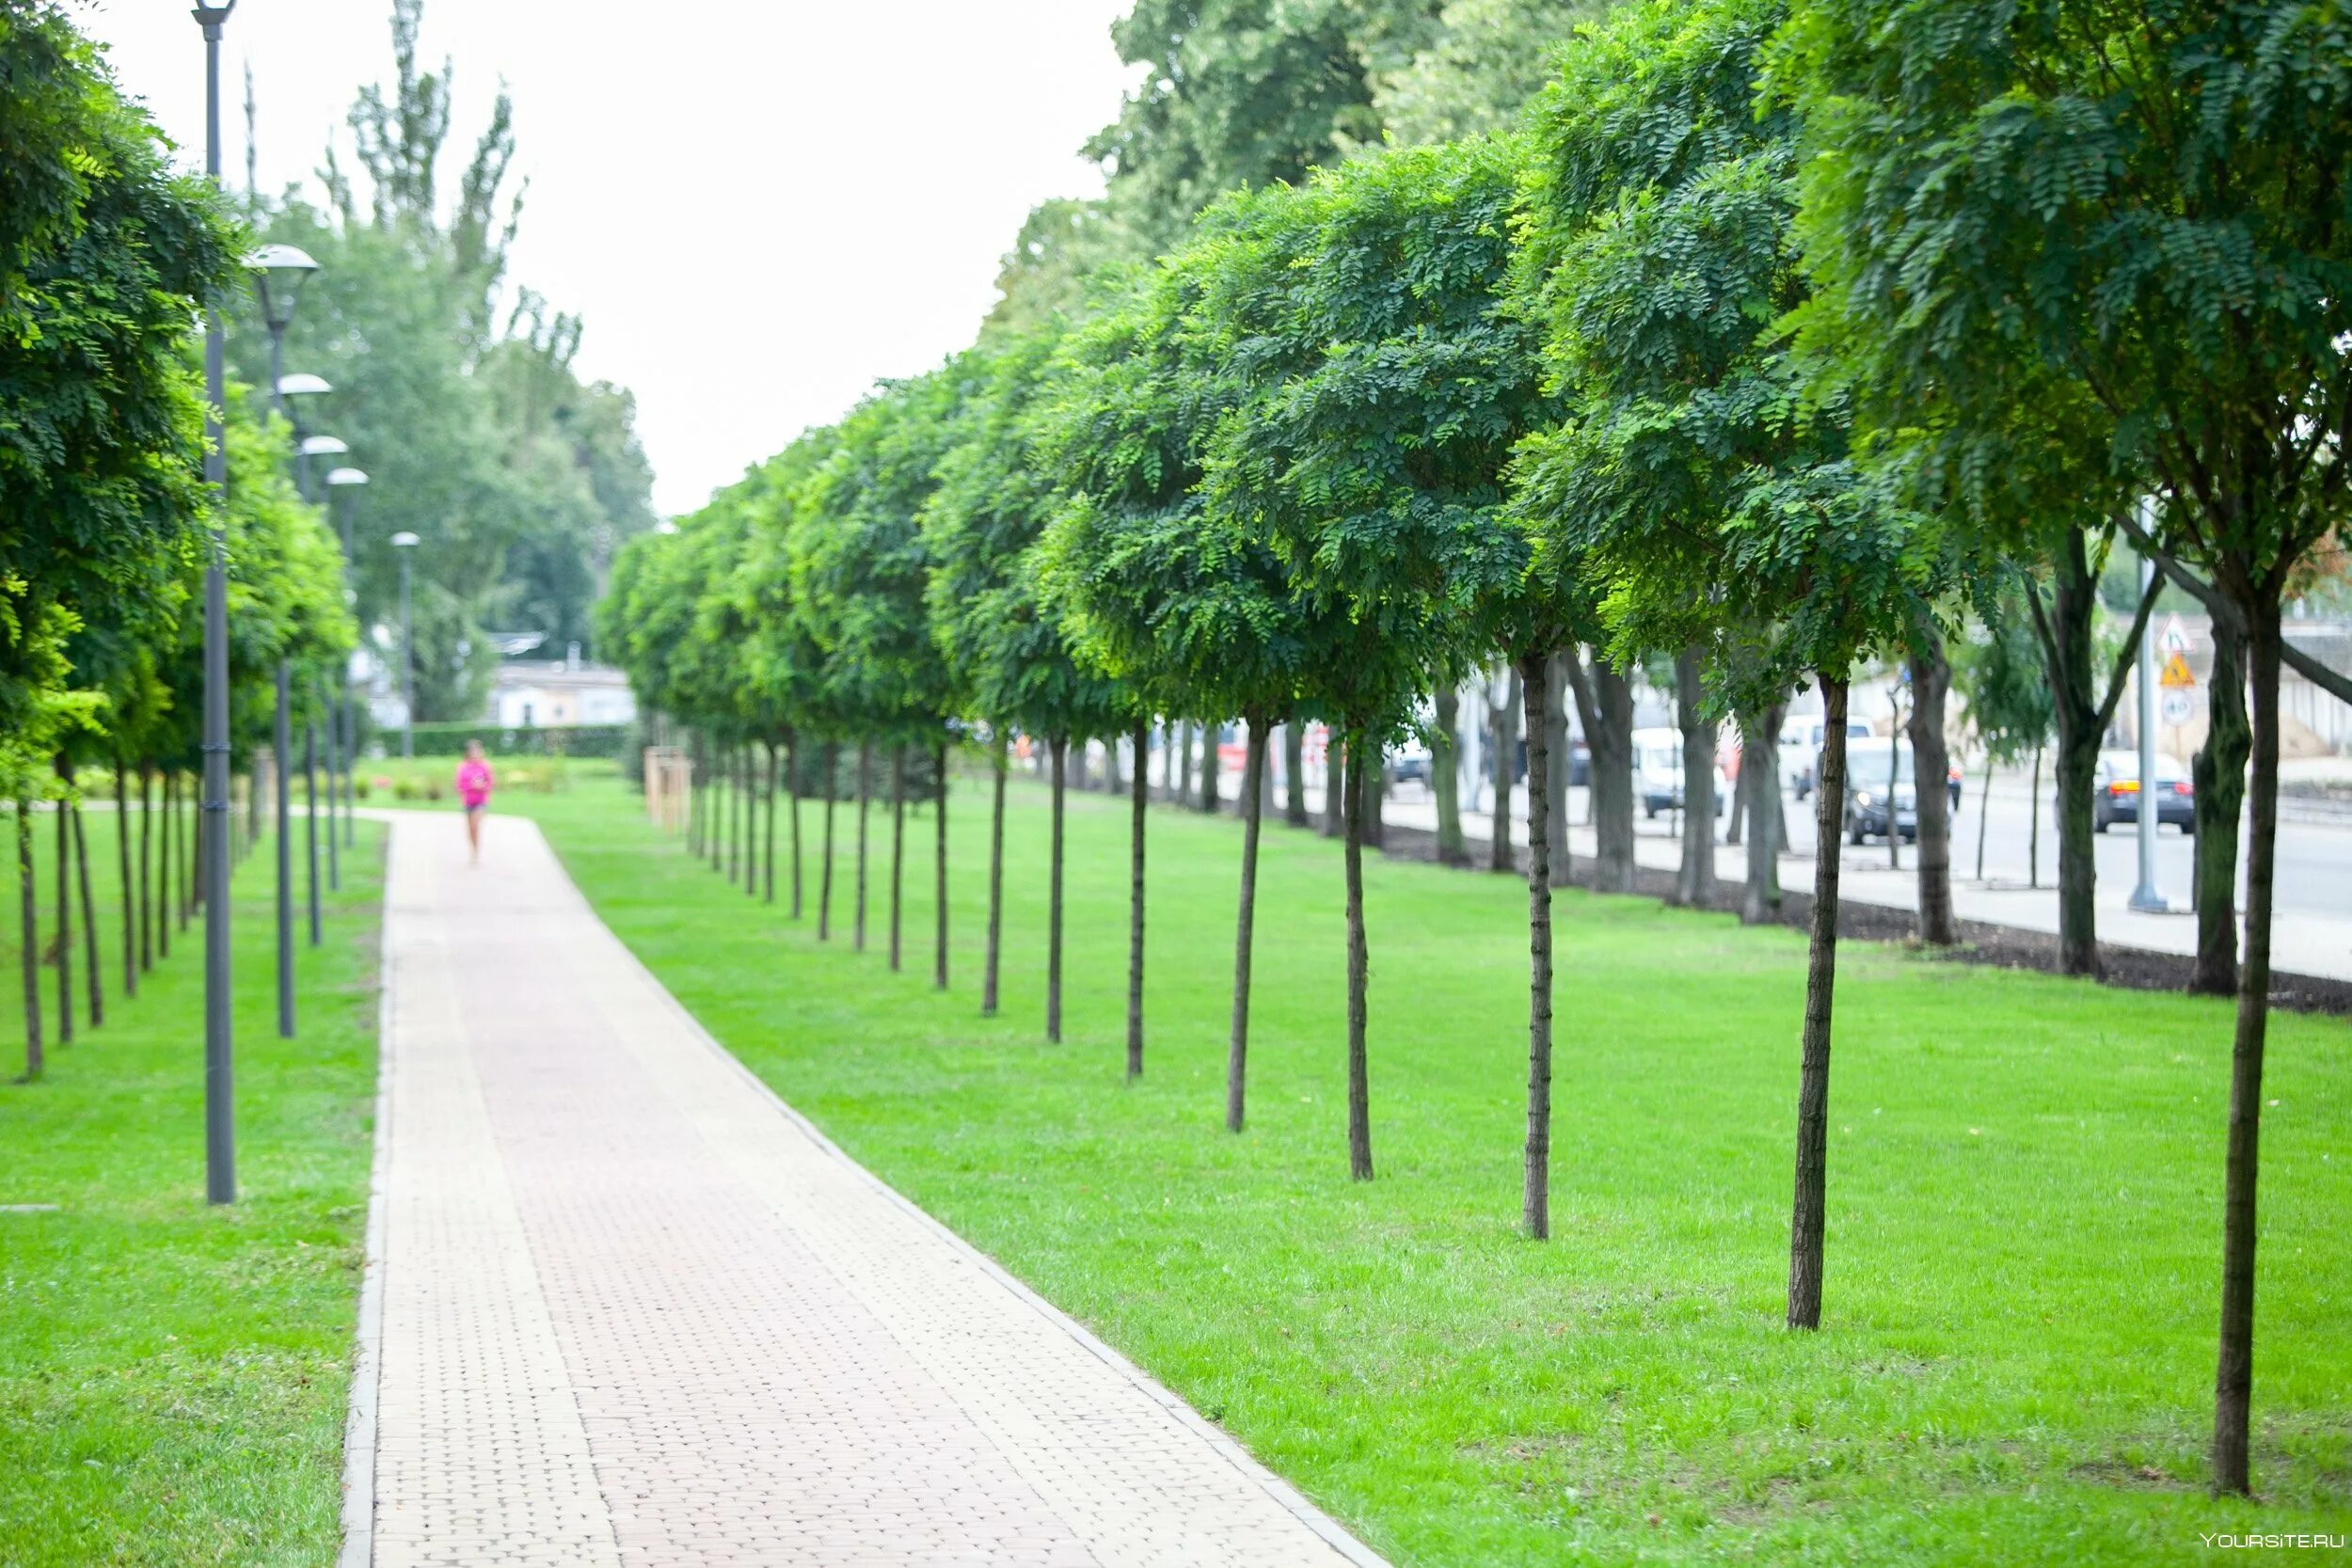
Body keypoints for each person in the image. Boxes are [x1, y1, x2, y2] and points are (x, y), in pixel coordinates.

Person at [455, 741, 494, 863]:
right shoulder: (462, 767)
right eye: (472, 752)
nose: (475, 754)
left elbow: (491, 784)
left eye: (477, 751)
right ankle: (473, 849)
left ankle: (476, 852)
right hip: (468, 801)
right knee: (469, 829)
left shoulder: (485, 766)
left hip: (480, 801)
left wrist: (482, 786)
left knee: (475, 825)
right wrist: (471, 786)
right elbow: (459, 785)